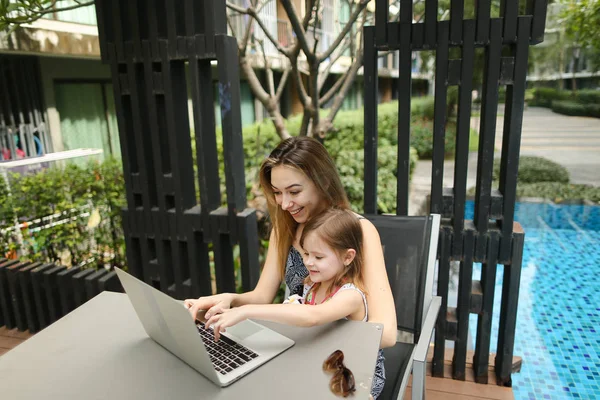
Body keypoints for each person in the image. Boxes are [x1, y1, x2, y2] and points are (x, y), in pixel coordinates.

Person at [185, 135, 396, 326]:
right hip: (299, 342)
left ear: (323, 181)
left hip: (343, 358)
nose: (284, 204)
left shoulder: (361, 230)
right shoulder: (285, 227)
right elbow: (262, 296)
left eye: (294, 191)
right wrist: (230, 300)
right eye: (277, 192)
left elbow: (386, 332)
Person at [203, 208, 385, 398]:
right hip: (318, 365)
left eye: (318, 257)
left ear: (348, 257)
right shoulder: (313, 284)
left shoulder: (351, 296)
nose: (308, 262)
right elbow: (294, 312)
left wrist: (247, 311)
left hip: (346, 377)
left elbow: (313, 316)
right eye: (306, 253)